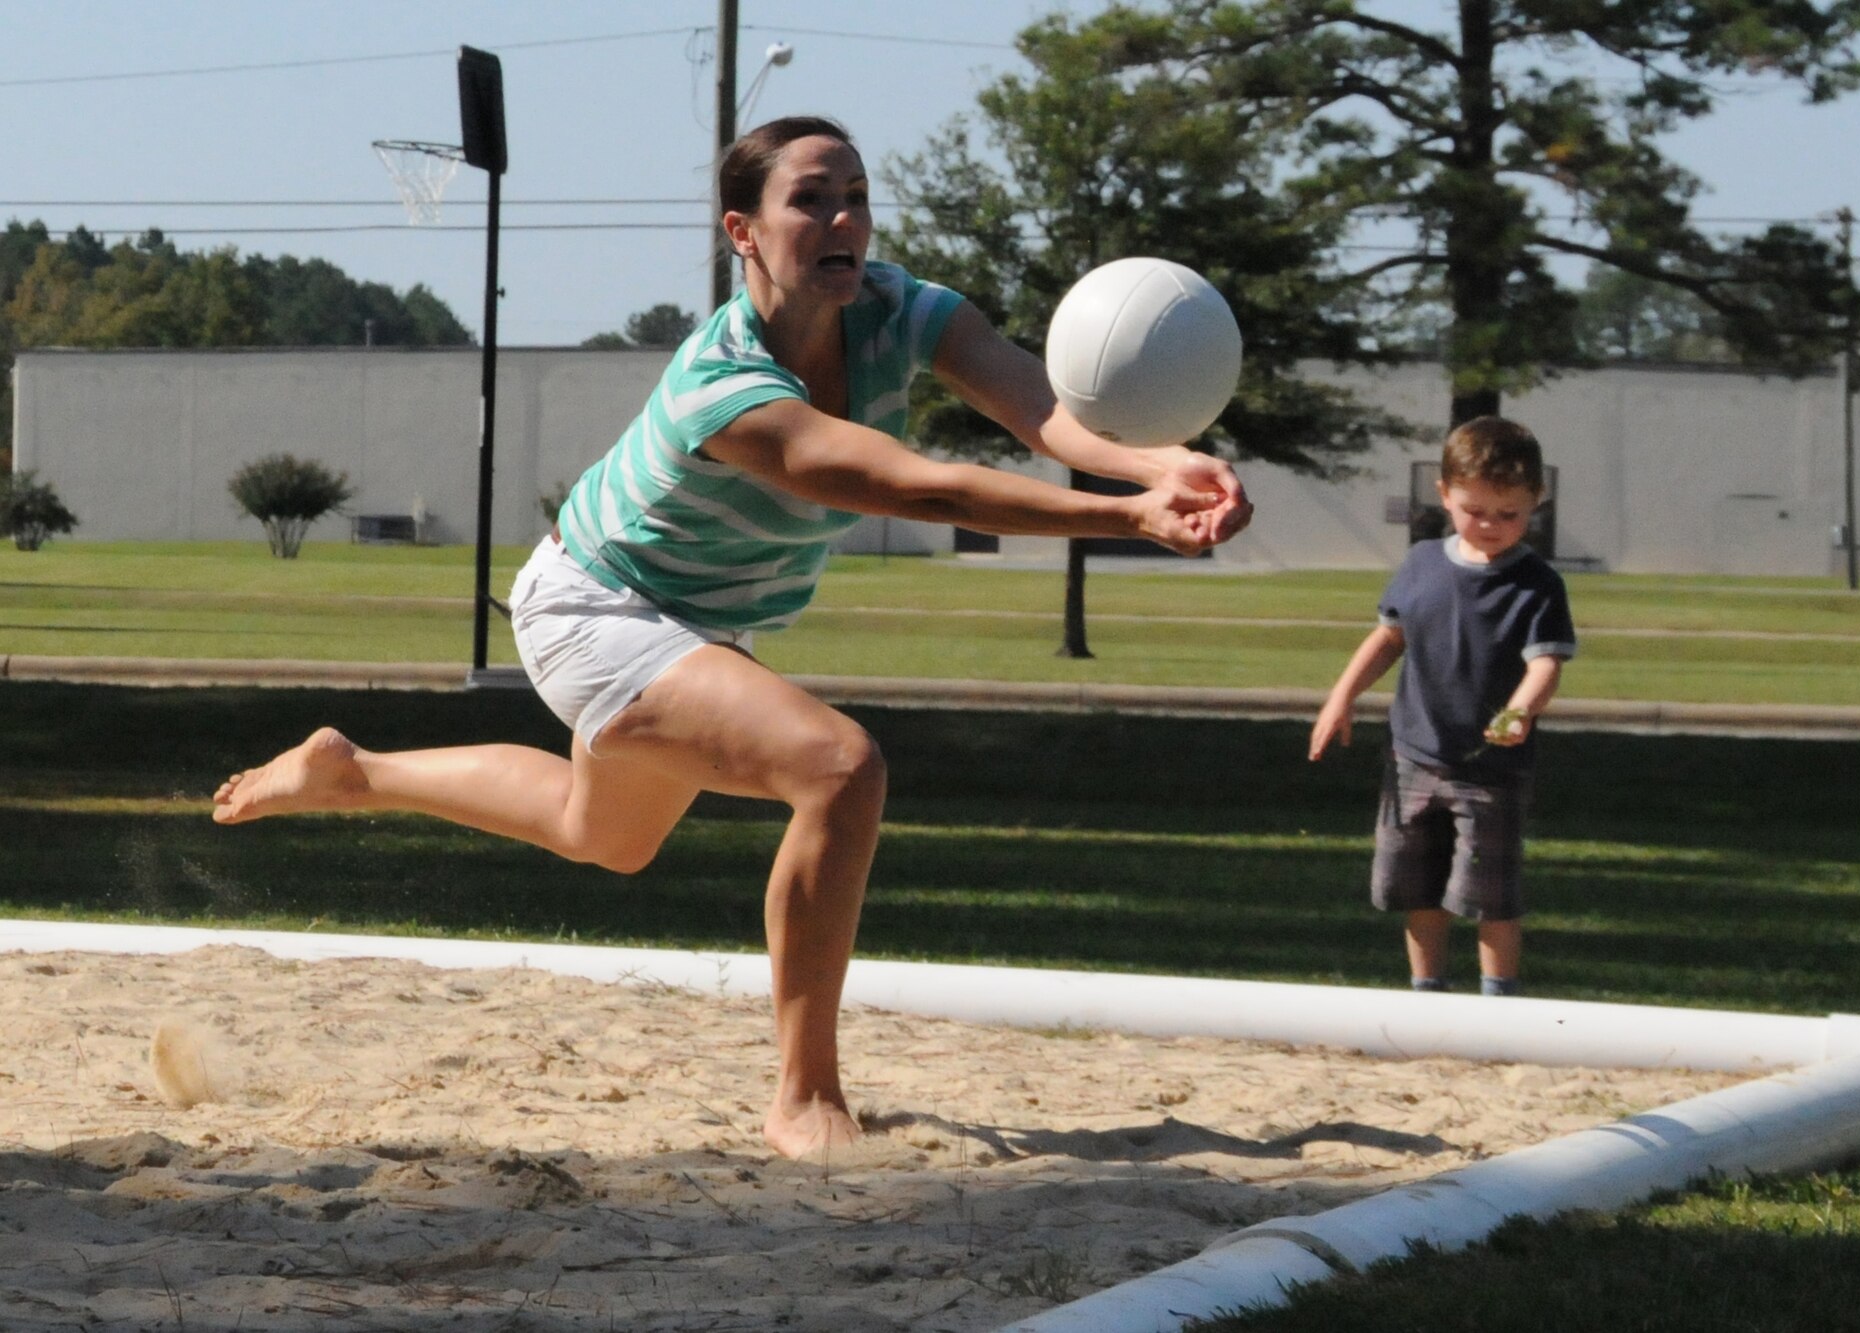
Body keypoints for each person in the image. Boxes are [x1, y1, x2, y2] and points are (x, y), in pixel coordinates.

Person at [212, 115, 1252, 1159]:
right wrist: (1124, 516)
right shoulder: (724, 386)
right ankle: (805, 1097)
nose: (842, 215)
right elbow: (909, 483)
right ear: (742, 230)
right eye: (809, 197)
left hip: (693, 624)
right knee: (838, 767)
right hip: (595, 609)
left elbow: (1041, 412)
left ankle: (352, 770)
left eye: (854, 192)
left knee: (602, 836)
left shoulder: (907, 310)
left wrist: (1158, 465)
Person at [1308, 416, 1573, 997]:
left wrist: (1520, 711)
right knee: (1417, 891)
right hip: (1413, 758)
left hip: (1490, 770)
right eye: (1476, 510)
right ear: (1445, 495)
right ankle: (1426, 995)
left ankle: (1498, 1000)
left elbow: (1546, 664)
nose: (1492, 526)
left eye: (1511, 514)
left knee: (1490, 898)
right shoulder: (1423, 563)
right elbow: (1387, 639)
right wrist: (1341, 697)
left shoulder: (1537, 584)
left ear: (1536, 502)